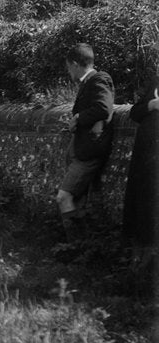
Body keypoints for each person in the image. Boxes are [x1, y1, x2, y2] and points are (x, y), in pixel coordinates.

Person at [56, 43, 115, 242]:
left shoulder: (99, 79)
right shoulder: (88, 82)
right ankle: (82, 246)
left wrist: (78, 118)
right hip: (82, 150)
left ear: (74, 64)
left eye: (68, 67)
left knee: (63, 197)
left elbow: (103, 108)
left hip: (89, 153)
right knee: (76, 200)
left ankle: (74, 245)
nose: (68, 71)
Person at [122, 73, 159, 271]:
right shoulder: (155, 82)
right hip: (145, 159)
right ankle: (139, 266)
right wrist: (151, 106)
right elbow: (134, 113)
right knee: (142, 209)